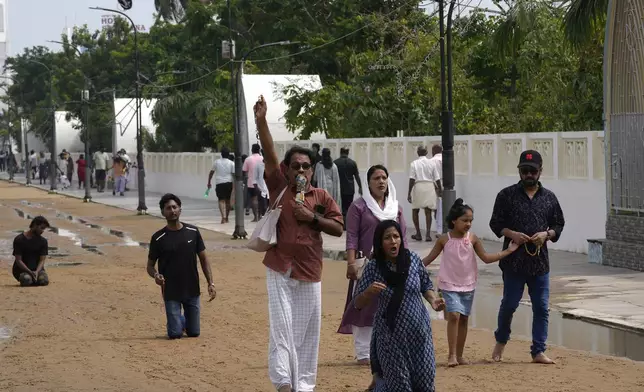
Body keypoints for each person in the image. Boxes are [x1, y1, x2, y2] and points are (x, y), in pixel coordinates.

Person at [254, 95, 344, 392]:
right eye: (296, 166)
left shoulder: (321, 197)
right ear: (288, 170)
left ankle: (304, 385)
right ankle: (283, 383)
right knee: (282, 330)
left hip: (310, 271)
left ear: (312, 170)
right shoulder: (279, 187)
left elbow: (338, 228)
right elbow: (268, 155)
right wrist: (261, 121)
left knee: (307, 333)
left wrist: (312, 218)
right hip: (280, 268)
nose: (302, 171)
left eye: (306, 166)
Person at [489, 149, 565, 365]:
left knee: (541, 307)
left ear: (540, 171)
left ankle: (538, 351)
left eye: (533, 171)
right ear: (519, 171)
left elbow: (559, 224)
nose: (528, 175)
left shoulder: (549, 198)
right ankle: (501, 341)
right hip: (513, 261)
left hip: (540, 263)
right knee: (509, 305)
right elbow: (495, 223)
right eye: (524, 171)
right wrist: (512, 234)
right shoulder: (506, 195)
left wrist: (547, 234)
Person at [422, 199, 519, 367]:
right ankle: (451, 356)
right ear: (454, 220)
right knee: (454, 316)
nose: (468, 224)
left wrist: (508, 251)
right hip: (448, 284)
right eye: (464, 220)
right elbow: (428, 259)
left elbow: (486, 258)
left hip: (468, 284)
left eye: (470, 221)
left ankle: (459, 356)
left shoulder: (472, 239)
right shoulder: (444, 240)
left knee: (464, 319)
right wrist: (407, 266)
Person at [354, 220, 445, 392]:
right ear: (380, 243)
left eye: (396, 236)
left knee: (425, 383)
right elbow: (357, 303)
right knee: (399, 386)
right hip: (390, 338)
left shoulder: (413, 260)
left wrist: (433, 301)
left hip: (419, 334)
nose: (393, 241)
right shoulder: (373, 267)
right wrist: (369, 292)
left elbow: (426, 285)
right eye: (387, 238)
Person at [338, 164, 406, 390]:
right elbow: (352, 237)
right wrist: (350, 263)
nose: (381, 182)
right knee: (364, 305)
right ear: (368, 183)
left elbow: (402, 237)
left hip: (391, 266)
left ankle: (386, 349)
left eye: (384, 177)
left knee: (388, 305)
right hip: (366, 265)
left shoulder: (396, 207)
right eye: (376, 178)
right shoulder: (359, 207)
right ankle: (362, 351)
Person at [147, 194, 217, 339]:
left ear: (180, 210)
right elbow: (150, 266)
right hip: (171, 292)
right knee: (175, 334)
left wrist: (210, 283)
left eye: (175, 207)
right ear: (162, 212)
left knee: (194, 333)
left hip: (192, 290)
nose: (172, 211)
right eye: (168, 208)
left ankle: (181, 321)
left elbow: (204, 259)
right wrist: (155, 275)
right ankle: (175, 322)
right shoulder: (158, 238)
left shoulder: (193, 232)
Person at [408, 146, 442, 242]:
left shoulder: (414, 163)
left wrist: (409, 193)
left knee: (415, 210)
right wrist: (440, 189)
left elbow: (412, 179)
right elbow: (437, 178)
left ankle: (418, 233)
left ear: (418, 152)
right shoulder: (432, 163)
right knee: (428, 211)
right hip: (429, 186)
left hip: (418, 186)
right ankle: (427, 235)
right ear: (427, 152)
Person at [12, 216, 51, 287]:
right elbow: (19, 260)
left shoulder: (43, 241)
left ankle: (34, 278)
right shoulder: (19, 239)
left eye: (44, 229)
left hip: (37, 269)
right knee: (26, 280)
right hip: (21, 270)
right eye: (41, 228)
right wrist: (29, 272)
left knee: (44, 281)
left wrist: (36, 272)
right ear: (35, 225)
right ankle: (30, 278)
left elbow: (42, 260)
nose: (42, 231)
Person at [334, 147, 363, 222]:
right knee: (349, 207)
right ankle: (348, 223)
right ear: (348, 153)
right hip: (350, 189)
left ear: (340, 152)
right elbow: (357, 176)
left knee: (340, 207)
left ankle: (342, 222)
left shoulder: (335, 163)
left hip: (339, 189)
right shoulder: (352, 163)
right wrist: (360, 187)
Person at [207, 147, 235, 223]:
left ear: (221, 154)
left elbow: (211, 173)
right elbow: (234, 175)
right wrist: (234, 186)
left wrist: (209, 182)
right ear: (228, 154)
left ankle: (223, 217)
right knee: (228, 201)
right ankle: (227, 218)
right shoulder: (232, 163)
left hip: (219, 183)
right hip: (229, 183)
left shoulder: (216, 162)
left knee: (221, 200)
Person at [242, 144, 264, 222]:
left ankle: (256, 217)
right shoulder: (263, 158)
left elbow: (244, 171)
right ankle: (261, 215)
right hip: (262, 183)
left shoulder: (248, 159)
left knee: (254, 199)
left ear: (252, 150)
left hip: (251, 183)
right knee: (261, 200)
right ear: (259, 150)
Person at [429, 145, 443, 236]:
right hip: (447, 184)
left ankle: (439, 230)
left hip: (436, 185)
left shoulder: (432, 161)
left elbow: (432, 176)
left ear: (433, 151)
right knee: (444, 207)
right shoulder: (445, 158)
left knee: (437, 208)